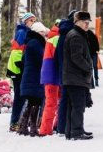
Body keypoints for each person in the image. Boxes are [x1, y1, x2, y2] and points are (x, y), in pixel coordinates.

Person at [62, 11, 94, 140]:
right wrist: (88, 67)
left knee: (74, 105)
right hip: (75, 77)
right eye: (85, 22)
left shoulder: (77, 34)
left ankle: (72, 131)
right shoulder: (76, 36)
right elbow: (76, 57)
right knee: (78, 106)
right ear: (77, 22)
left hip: (74, 77)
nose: (87, 24)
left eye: (88, 22)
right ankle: (76, 132)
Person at [18, 21, 49, 136]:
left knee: (32, 102)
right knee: (35, 101)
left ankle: (24, 127)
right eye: (42, 32)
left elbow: (23, 60)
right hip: (34, 77)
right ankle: (32, 128)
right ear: (37, 32)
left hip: (31, 76)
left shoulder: (31, 42)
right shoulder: (35, 43)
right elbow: (42, 58)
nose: (44, 34)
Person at [7, 12, 36, 132]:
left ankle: (18, 121)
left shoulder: (26, 32)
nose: (33, 23)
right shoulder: (22, 32)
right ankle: (14, 123)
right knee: (20, 96)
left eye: (34, 21)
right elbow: (17, 52)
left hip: (19, 68)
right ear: (25, 21)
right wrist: (22, 66)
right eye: (31, 20)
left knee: (22, 96)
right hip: (16, 69)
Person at [54, 11, 77, 137]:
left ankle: (63, 126)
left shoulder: (63, 33)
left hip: (64, 70)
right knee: (67, 99)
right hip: (68, 71)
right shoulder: (70, 34)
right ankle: (64, 127)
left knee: (65, 98)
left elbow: (56, 56)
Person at [38, 21, 61, 136]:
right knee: (51, 103)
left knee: (53, 103)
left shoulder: (51, 38)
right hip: (52, 75)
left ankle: (54, 126)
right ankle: (45, 130)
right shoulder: (56, 38)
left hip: (49, 74)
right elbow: (59, 57)